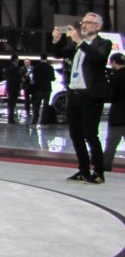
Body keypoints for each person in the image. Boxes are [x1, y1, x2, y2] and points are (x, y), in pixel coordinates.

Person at [51, 13, 111, 184]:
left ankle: (98, 172)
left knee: (90, 134)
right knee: (76, 135)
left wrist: (80, 42)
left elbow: (98, 58)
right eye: (83, 22)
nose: (84, 25)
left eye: (89, 23)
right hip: (74, 94)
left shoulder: (103, 43)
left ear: (98, 26)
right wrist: (56, 40)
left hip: (91, 95)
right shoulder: (76, 45)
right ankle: (83, 170)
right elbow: (58, 54)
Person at [103, 52, 125, 173]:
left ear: (114, 62)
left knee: (111, 144)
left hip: (118, 115)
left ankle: (106, 166)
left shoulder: (115, 76)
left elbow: (111, 95)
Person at [31, 53, 55, 125]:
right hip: (47, 88)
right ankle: (43, 121)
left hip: (38, 88)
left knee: (36, 105)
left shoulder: (36, 67)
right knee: (45, 106)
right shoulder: (50, 67)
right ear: (46, 59)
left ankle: (35, 120)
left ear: (40, 58)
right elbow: (52, 78)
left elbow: (34, 78)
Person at [4, 54, 21, 123]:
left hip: (9, 87)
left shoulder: (8, 68)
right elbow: (17, 79)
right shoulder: (16, 68)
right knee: (13, 103)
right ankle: (11, 119)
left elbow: (6, 77)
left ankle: (10, 117)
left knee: (10, 103)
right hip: (14, 88)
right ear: (15, 59)